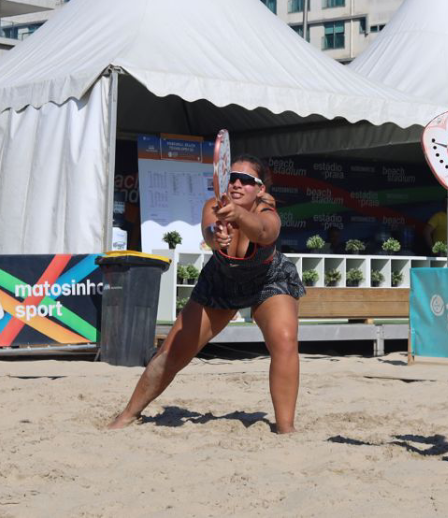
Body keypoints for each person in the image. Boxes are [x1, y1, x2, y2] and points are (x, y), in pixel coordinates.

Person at [108, 155, 305, 433]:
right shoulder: (214, 205)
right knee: (172, 352)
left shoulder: (268, 213)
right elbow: (210, 232)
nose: (237, 183)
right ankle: (128, 414)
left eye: (246, 180)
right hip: (221, 280)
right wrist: (217, 235)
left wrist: (238, 216)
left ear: (260, 189)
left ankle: (286, 430)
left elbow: (264, 233)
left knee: (284, 341)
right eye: (232, 178)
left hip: (267, 279)